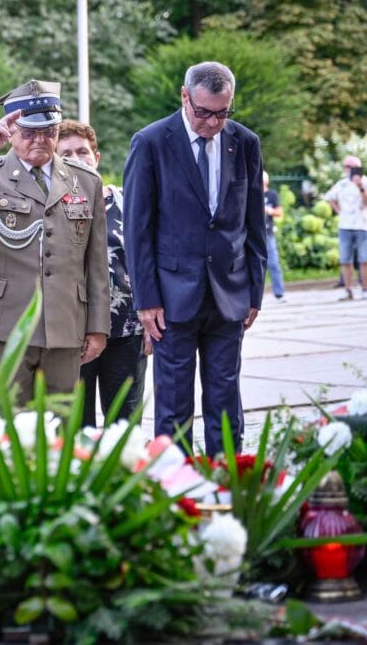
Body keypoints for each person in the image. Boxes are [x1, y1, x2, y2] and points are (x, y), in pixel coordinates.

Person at [123, 61, 266, 458]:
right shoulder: (151, 142)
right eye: (203, 112)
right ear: (185, 97)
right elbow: (138, 229)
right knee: (173, 405)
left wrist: (255, 291)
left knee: (226, 398)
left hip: (230, 294)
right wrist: (145, 299)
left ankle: (228, 481)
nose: (213, 123)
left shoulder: (245, 142)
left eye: (223, 112)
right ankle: (177, 490)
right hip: (170, 299)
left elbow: (254, 223)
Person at [0, 81, 109, 400]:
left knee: (58, 423)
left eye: (49, 131)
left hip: (65, 322)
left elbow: (95, 263)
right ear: (10, 131)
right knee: (6, 422)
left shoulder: (85, 180)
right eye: (29, 132)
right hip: (4, 322)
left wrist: (98, 327)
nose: (40, 140)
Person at [56, 120, 149, 426]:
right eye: (66, 152)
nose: (75, 157)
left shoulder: (126, 202)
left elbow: (148, 260)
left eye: (82, 151)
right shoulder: (50, 206)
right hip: (71, 335)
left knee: (124, 427)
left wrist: (151, 321)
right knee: (74, 429)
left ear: (96, 157)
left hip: (127, 331)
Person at [324, 155, 367, 301]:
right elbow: (329, 197)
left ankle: (365, 289)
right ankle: (348, 290)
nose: (347, 169)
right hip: (345, 225)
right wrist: (338, 209)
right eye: (345, 166)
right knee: (345, 259)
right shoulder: (341, 184)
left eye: (350, 166)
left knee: (364, 258)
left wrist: (360, 186)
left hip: (362, 225)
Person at [263, 170, 287, 303]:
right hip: (253, 234)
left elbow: (279, 212)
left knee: (273, 264)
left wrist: (268, 210)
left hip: (268, 233)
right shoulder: (252, 192)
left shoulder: (272, 195)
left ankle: (279, 293)